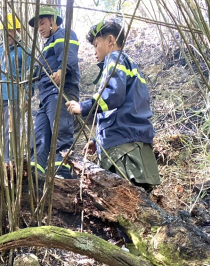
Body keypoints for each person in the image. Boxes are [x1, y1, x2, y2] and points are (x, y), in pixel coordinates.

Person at [66, 17, 161, 191]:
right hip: (133, 143)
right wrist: (96, 139)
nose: (94, 51)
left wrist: (83, 107)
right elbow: (123, 104)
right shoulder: (127, 64)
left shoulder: (114, 59)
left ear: (110, 40)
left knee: (127, 202)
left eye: (96, 44)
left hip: (123, 149)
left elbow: (113, 95)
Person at [29, 6, 80, 180]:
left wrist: (63, 70)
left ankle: (64, 173)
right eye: (38, 26)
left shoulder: (63, 34)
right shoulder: (47, 44)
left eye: (42, 23)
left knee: (61, 131)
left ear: (52, 20)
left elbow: (68, 56)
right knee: (40, 135)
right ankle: (36, 173)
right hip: (46, 95)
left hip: (61, 90)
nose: (40, 29)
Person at [0, 13, 30, 164]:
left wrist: (26, 96)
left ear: (18, 31)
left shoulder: (24, 51)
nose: (8, 34)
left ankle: (7, 162)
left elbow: (29, 76)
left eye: (11, 30)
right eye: (5, 31)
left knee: (9, 131)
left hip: (12, 97)